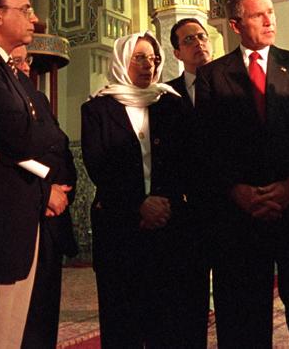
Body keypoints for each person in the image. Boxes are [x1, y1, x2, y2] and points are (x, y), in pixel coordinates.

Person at [194, 0, 289, 348]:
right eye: (258, 15)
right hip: (239, 217)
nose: (270, 19)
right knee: (243, 317)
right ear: (236, 25)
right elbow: (207, 144)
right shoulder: (211, 76)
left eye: (271, 11)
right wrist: (237, 190)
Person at [0, 0, 67, 348]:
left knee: (10, 332)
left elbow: (41, 130)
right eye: (24, 9)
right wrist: (27, 137)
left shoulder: (5, 66)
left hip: (17, 220)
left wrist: (23, 138)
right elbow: (21, 134)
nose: (35, 18)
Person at [81, 32, 190, 347]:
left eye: (154, 58)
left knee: (165, 321)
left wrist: (162, 202)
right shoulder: (98, 108)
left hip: (167, 224)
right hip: (119, 225)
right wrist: (139, 204)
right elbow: (98, 164)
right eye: (140, 57)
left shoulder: (170, 104)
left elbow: (183, 161)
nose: (149, 64)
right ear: (121, 60)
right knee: (121, 322)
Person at [10, 46, 79, 349]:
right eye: (16, 61)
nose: (25, 67)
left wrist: (64, 190)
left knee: (44, 312)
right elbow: (11, 152)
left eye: (28, 61)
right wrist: (46, 188)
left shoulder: (38, 99)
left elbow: (60, 147)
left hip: (53, 217)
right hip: (23, 213)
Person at [166, 18, 215, 345]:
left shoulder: (234, 84)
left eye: (202, 36)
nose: (199, 44)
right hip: (188, 214)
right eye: (189, 40)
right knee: (190, 300)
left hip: (231, 208)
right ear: (177, 52)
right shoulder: (167, 97)